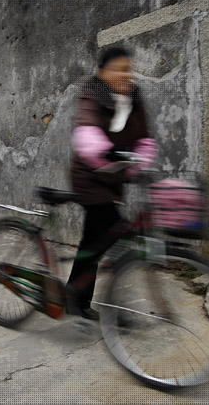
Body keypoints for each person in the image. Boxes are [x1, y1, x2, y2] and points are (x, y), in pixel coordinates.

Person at [67, 47, 157, 320]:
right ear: (102, 72)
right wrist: (107, 153)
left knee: (95, 241)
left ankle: (75, 297)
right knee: (112, 233)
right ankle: (84, 299)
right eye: (118, 69)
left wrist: (140, 163)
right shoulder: (92, 92)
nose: (125, 75)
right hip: (89, 177)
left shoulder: (134, 96)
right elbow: (87, 133)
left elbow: (144, 138)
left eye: (128, 69)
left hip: (114, 178)